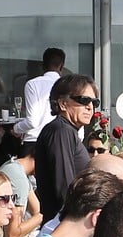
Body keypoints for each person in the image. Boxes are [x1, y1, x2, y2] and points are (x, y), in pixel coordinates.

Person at [33, 73, 98, 220]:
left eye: (94, 102)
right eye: (84, 100)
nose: (90, 107)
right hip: (64, 225)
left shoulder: (66, 130)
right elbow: (64, 188)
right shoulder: (62, 131)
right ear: (63, 104)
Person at [0, 126, 44, 237]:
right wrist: (43, 216)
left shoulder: (17, 169)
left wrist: (41, 215)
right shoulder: (18, 179)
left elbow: (38, 210)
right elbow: (12, 234)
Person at [21, 46, 66, 141]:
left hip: (34, 141)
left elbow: (32, 122)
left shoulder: (32, 84)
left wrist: (16, 129)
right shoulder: (68, 86)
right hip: (61, 140)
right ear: (61, 66)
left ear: (43, 65)